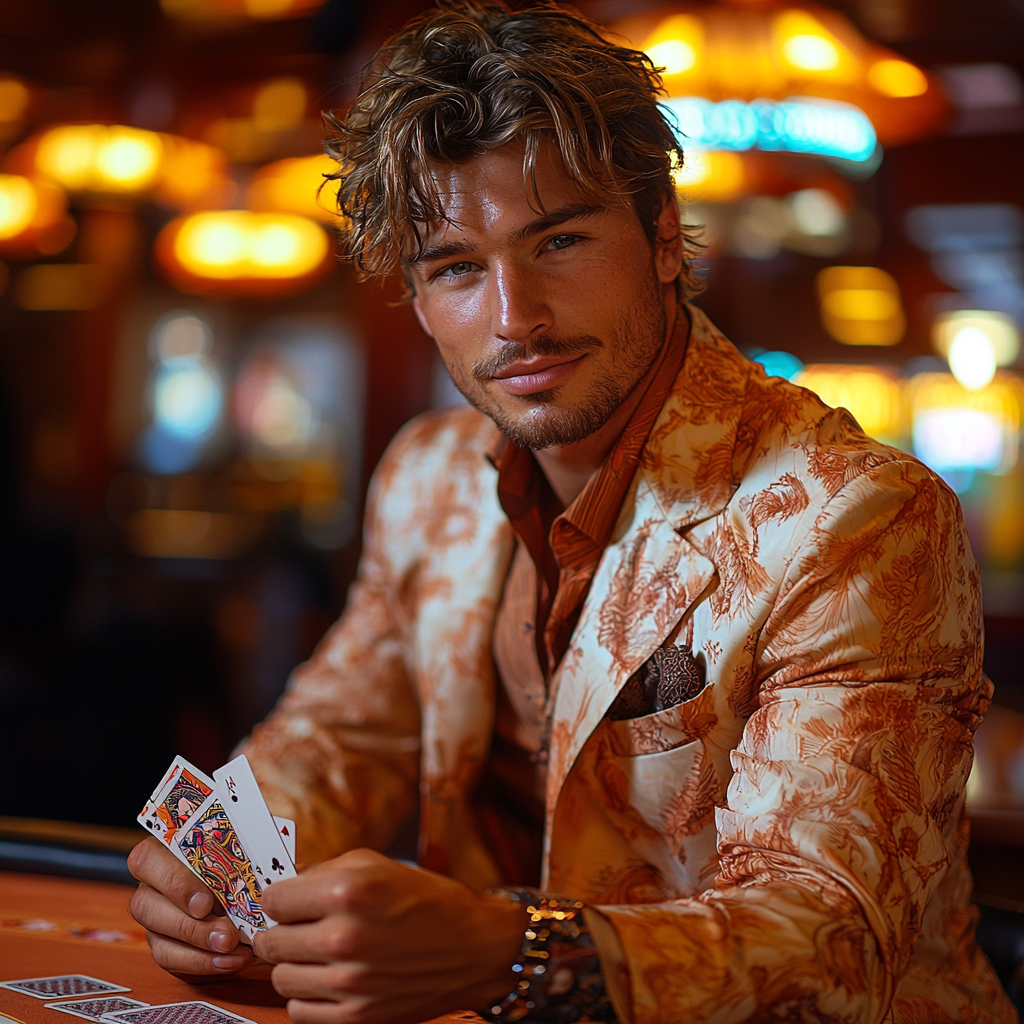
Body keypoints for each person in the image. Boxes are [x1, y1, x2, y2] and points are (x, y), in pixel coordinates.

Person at [127, 3, 1016, 1023]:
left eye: (558, 240)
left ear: (665, 237)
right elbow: (341, 737)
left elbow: (825, 933)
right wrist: (221, 863)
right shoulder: (427, 474)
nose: (514, 317)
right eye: (456, 266)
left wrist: (512, 955)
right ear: (416, 300)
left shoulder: (860, 515)